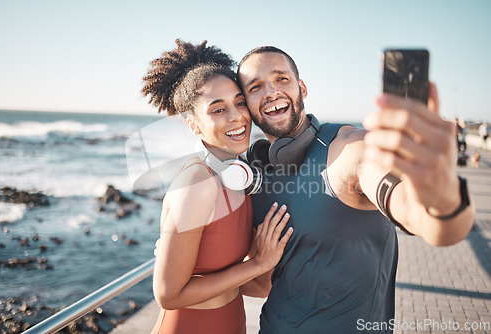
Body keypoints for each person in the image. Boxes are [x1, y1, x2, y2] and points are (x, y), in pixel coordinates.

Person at [236, 46, 475, 333]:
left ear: (302, 88)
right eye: (256, 87)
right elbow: (263, 284)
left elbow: (434, 225)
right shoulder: (255, 174)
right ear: (246, 104)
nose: (271, 92)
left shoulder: (348, 149)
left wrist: (442, 195)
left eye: (281, 79)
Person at [141, 40, 293, 334]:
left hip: (233, 322)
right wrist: (256, 263)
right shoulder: (198, 182)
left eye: (239, 103)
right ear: (194, 125)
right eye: (217, 109)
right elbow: (168, 295)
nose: (236, 116)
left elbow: (259, 286)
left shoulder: (241, 177)